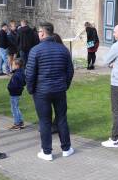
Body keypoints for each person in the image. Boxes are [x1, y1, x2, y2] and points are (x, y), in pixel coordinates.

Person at [26, 22, 74, 161]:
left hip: (42, 92)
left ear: (42, 32)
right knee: (61, 119)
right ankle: (66, 148)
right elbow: (70, 71)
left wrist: (31, 89)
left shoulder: (35, 50)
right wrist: (65, 85)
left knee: (45, 121)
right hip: (58, 90)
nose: (38, 34)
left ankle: (47, 152)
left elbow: (30, 74)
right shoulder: (63, 49)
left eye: (39, 32)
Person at [7, 58, 26, 130]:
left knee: (14, 108)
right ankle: (20, 122)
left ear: (17, 65)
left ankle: (17, 124)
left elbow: (14, 85)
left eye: (13, 64)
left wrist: (9, 88)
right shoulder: (21, 72)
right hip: (17, 93)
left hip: (14, 93)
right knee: (16, 107)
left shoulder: (16, 75)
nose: (12, 66)